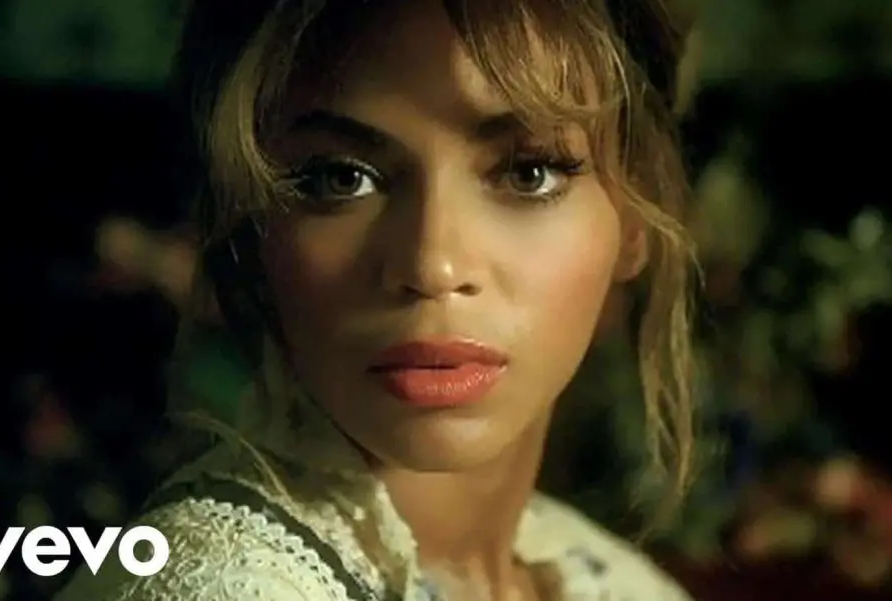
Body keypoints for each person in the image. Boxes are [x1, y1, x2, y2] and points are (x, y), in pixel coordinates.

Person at [55, 0, 698, 599]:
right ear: (249, 232)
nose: (432, 265)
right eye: (341, 178)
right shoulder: (222, 583)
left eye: (529, 171)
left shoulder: (613, 580)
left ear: (635, 217)